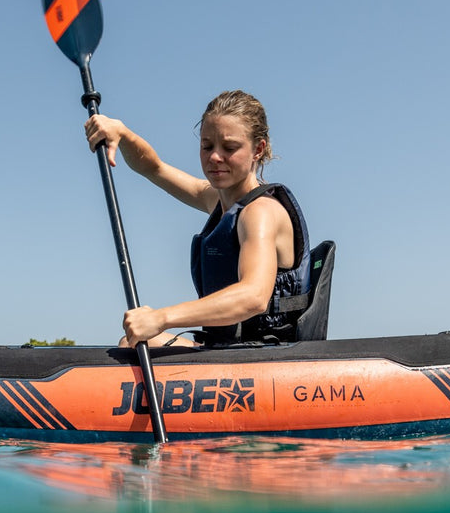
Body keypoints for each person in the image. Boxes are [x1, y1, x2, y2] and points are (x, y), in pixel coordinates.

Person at [84, 90, 311, 347]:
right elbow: (154, 167)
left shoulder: (260, 213)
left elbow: (254, 296)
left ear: (258, 149)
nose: (215, 157)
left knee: (137, 343)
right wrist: (122, 134)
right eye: (207, 146)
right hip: (225, 349)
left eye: (229, 147)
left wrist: (162, 317)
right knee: (131, 343)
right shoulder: (217, 199)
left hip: (262, 356)